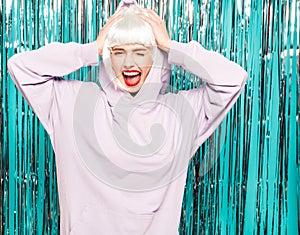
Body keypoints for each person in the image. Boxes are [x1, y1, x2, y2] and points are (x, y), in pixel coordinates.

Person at [7, 1, 248, 234]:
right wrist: (91, 49)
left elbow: (233, 78)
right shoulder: (72, 104)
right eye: (119, 51)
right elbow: (20, 67)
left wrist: (172, 47)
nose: (129, 63)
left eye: (140, 52)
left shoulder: (182, 113)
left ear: (156, 58)